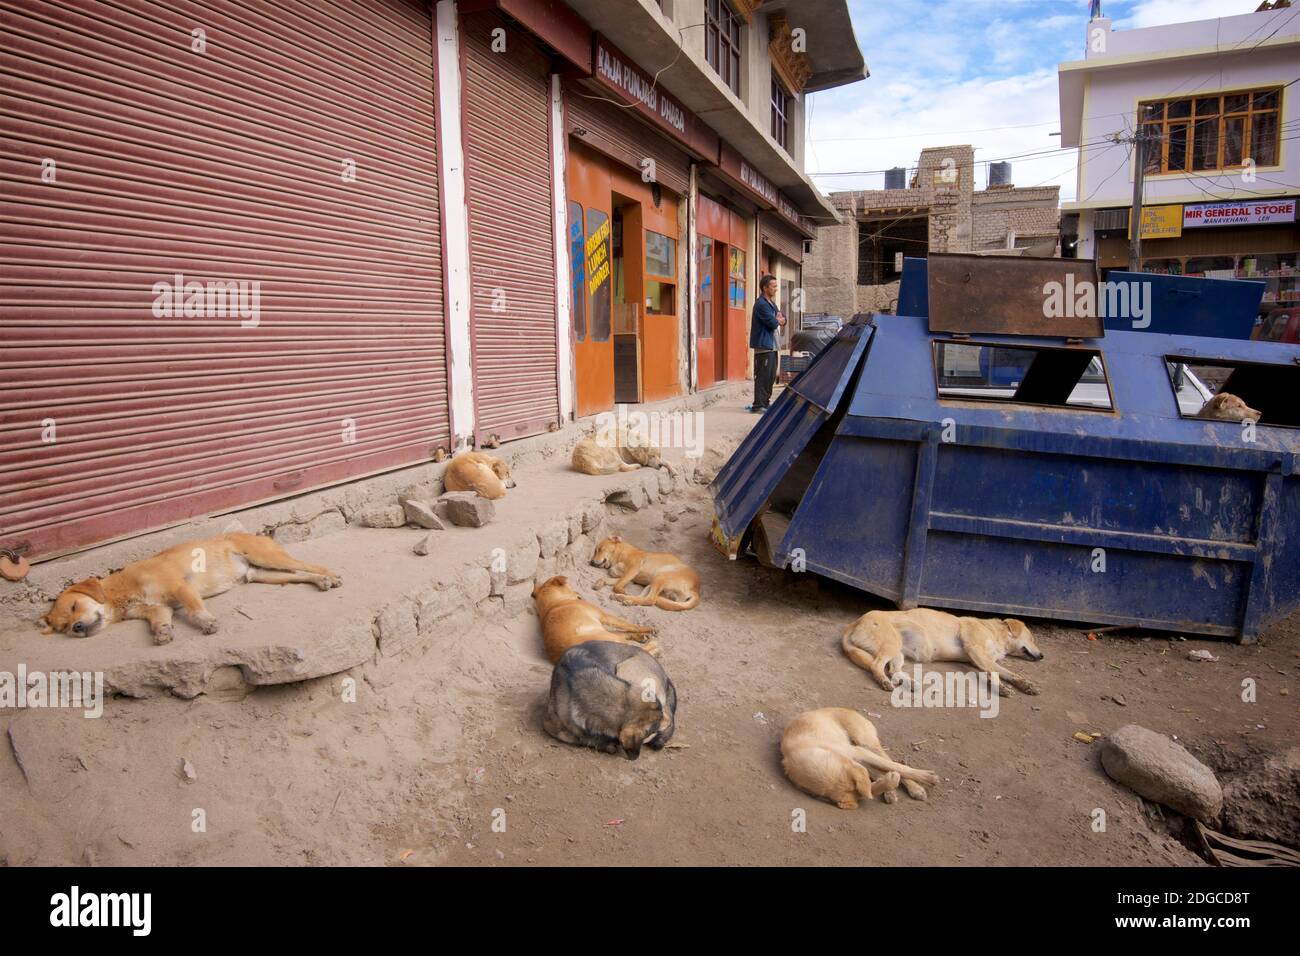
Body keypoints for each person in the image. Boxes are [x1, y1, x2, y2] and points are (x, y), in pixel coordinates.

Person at [748, 274, 785, 412]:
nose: (776, 289)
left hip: (773, 346)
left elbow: (783, 318)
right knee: (763, 377)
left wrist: (780, 319)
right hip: (764, 346)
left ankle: (765, 403)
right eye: (773, 286)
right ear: (765, 288)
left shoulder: (771, 303)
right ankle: (758, 405)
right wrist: (778, 320)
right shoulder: (761, 304)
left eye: (776, 286)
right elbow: (772, 323)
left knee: (770, 377)